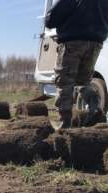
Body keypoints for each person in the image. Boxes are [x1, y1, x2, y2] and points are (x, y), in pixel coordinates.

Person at [46, 0, 108, 129]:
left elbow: (51, 20)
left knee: (65, 82)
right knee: (83, 82)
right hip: (96, 43)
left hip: (72, 42)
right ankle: (95, 108)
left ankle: (65, 124)